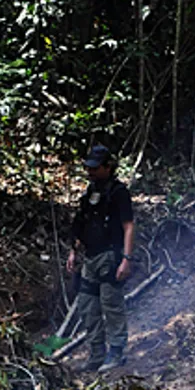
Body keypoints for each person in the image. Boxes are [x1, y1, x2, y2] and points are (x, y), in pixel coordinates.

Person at [65, 144, 136, 372]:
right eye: (88, 168)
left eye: (95, 168)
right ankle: (96, 353)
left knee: (111, 304)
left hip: (111, 255)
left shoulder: (118, 192)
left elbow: (128, 225)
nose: (90, 172)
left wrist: (126, 258)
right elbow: (82, 224)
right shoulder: (89, 193)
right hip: (90, 257)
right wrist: (74, 251)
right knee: (87, 305)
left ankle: (116, 352)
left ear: (108, 167)